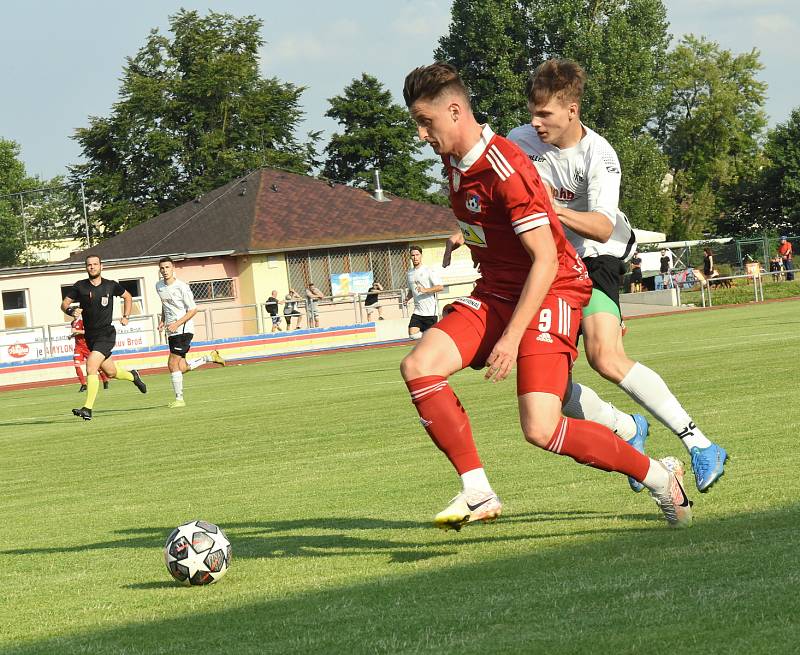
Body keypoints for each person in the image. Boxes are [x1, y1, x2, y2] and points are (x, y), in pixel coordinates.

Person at [401, 62, 692, 531]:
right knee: (418, 366)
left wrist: (511, 338)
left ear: (454, 111)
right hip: (497, 291)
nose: (420, 135)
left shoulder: (507, 168)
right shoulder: (453, 161)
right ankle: (478, 490)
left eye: (424, 121)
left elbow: (547, 260)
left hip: (553, 287)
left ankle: (661, 479)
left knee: (540, 427)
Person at [507, 58, 727, 492]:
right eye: (532, 112)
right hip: (548, 263)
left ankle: (700, 444)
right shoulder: (520, 141)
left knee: (605, 356)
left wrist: (551, 209)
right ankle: (626, 428)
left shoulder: (600, 154)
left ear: (572, 109)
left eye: (544, 114)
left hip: (596, 257)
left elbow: (603, 226)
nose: (535, 122)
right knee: (544, 383)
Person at [60, 255, 147, 420]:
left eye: (95, 264)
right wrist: (71, 311)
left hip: (106, 334)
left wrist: (126, 315)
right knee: (111, 372)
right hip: (91, 337)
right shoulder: (80, 286)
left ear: (101, 266)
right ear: (86, 268)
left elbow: (128, 296)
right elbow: (64, 304)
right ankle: (133, 376)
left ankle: (87, 408)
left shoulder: (111, 285)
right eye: (89, 265)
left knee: (91, 367)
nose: (92, 267)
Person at [156, 257, 225, 408]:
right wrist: (162, 320)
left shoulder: (182, 287)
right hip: (172, 331)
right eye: (162, 268)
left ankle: (179, 399)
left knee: (172, 363)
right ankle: (209, 357)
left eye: (167, 267)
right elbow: (165, 305)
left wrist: (177, 323)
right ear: (159, 270)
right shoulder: (159, 286)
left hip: (184, 329)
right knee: (181, 368)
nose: (165, 270)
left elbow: (193, 309)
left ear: (173, 268)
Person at [406, 245, 444, 339]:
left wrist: (425, 290)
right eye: (413, 255)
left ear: (421, 255)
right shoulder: (409, 273)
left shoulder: (428, 270)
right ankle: (428, 338)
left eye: (417, 255)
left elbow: (440, 287)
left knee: (432, 339)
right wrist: (407, 298)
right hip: (418, 311)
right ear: (410, 257)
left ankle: (436, 338)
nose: (415, 257)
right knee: (412, 334)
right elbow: (412, 289)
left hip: (430, 311)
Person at [69, 307, 109, 392]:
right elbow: (76, 332)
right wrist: (71, 336)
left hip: (86, 346)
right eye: (74, 312)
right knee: (76, 365)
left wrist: (76, 331)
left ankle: (105, 380)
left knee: (95, 365)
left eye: (77, 311)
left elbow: (86, 332)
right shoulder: (72, 323)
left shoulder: (83, 321)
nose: (75, 313)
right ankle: (83, 384)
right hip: (78, 347)